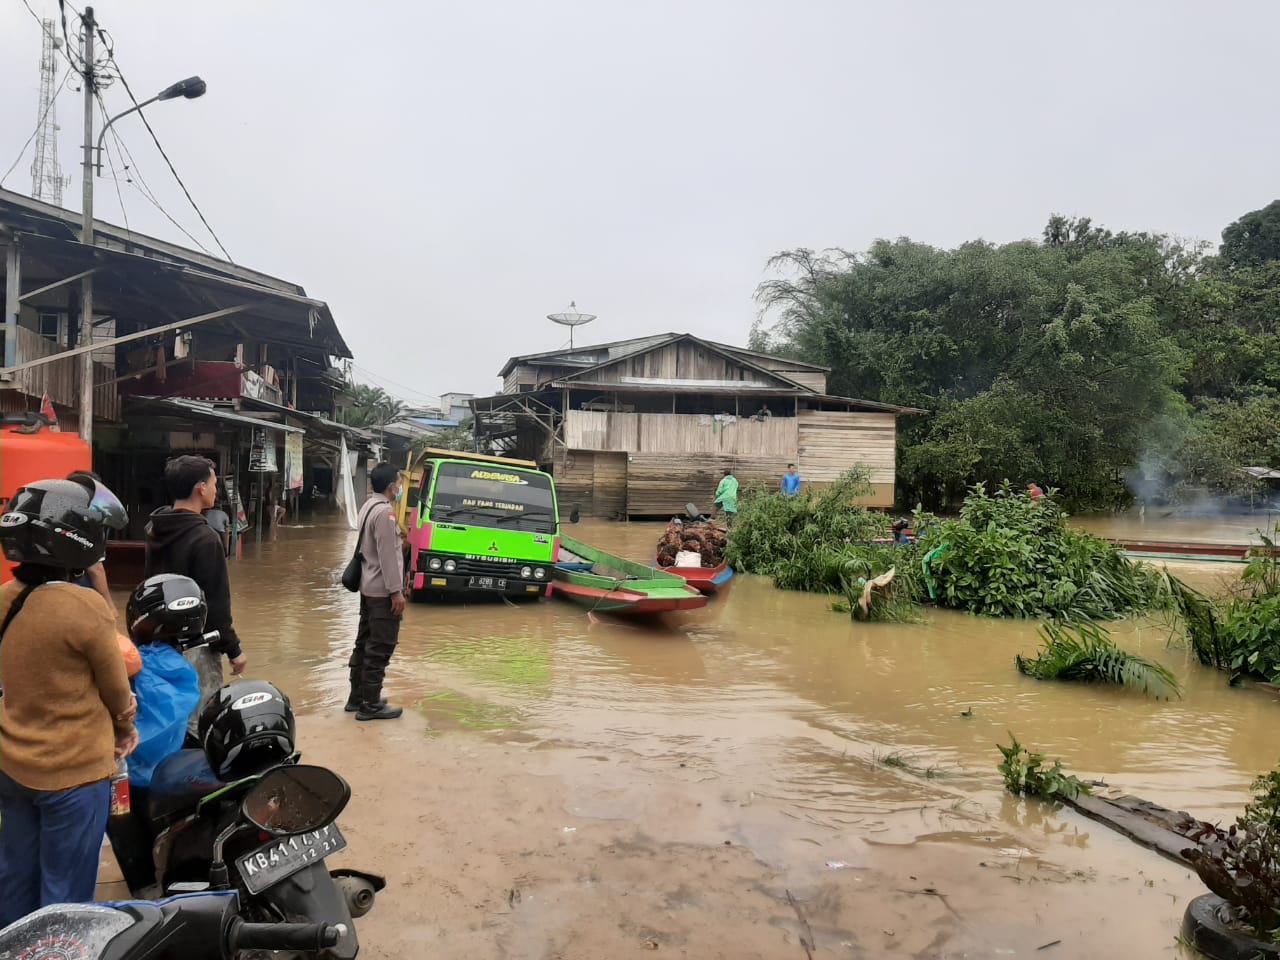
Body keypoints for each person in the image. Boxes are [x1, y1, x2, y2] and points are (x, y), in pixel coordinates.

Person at [0, 477, 138, 923]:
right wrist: (125, 730)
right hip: (73, 774)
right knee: (65, 892)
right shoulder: (84, 607)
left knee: (15, 875)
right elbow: (118, 690)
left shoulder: (4, 598)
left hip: (12, 763)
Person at [145, 456, 247, 736]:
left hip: (157, 642)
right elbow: (215, 604)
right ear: (200, 488)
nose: (216, 490)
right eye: (214, 483)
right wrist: (234, 648)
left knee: (166, 716)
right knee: (200, 720)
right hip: (196, 645)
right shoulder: (205, 538)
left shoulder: (155, 529)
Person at [348, 462, 407, 721]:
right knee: (380, 646)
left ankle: (358, 697)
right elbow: (387, 556)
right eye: (399, 482)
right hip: (382, 591)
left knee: (364, 643)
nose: (401, 486)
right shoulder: (385, 513)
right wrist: (396, 591)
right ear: (392, 486)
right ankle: (370, 705)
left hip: (367, 587)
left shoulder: (367, 505)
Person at [66, 470, 115, 611]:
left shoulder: (56, 516)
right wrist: (109, 604)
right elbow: (95, 569)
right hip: (79, 585)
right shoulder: (89, 521)